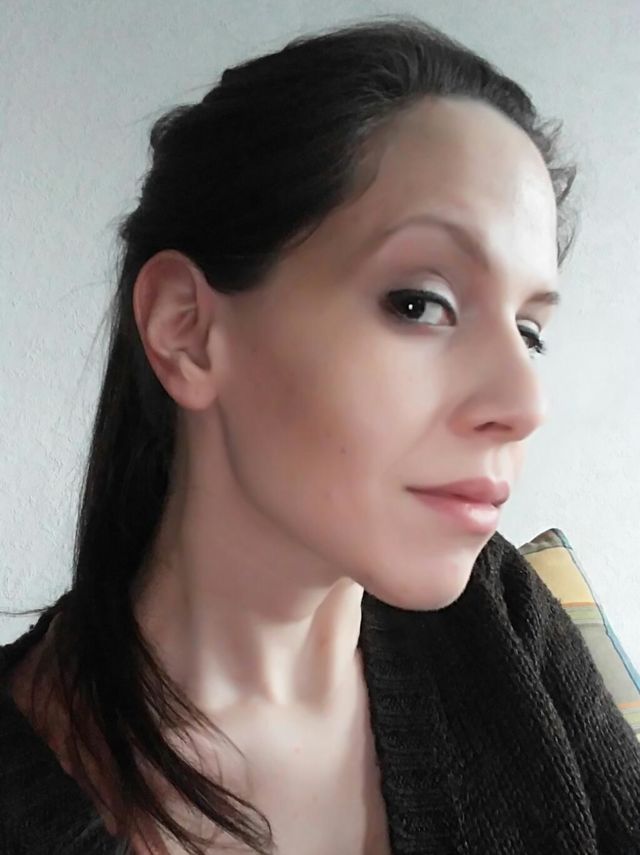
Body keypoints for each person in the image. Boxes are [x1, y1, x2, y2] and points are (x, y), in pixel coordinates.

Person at [1, 14, 639, 855]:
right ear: (188, 329)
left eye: (529, 331)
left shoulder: (502, 623)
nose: (525, 402)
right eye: (419, 303)